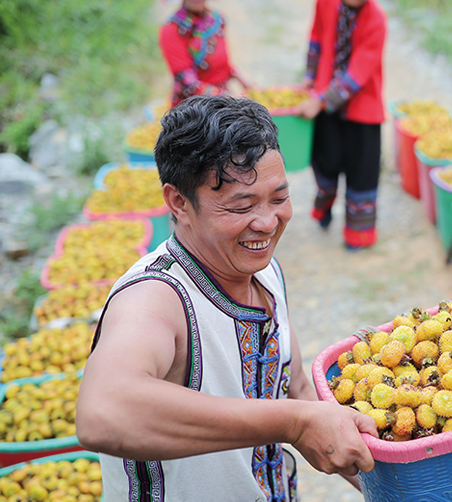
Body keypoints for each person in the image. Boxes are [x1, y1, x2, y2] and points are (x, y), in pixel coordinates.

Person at [76, 95, 376, 501]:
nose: (268, 222)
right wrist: (293, 423)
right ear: (179, 203)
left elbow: (294, 387)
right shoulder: (158, 297)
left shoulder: (263, 272)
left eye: (279, 198)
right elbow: (104, 412)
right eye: (242, 205)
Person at [291, 0, 386, 249]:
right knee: (326, 161)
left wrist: (320, 102)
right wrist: (310, 78)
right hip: (325, 100)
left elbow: (358, 74)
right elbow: (317, 37)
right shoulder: (325, 3)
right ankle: (324, 207)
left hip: (362, 109)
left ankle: (358, 235)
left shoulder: (376, 19)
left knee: (361, 172)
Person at [159, 0, 251, 107]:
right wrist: (227, 98)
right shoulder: (171, 30)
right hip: (194, 109)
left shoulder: (217, 18)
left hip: (224, 102)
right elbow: (186, 82)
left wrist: (239, 75)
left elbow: (220, 62)